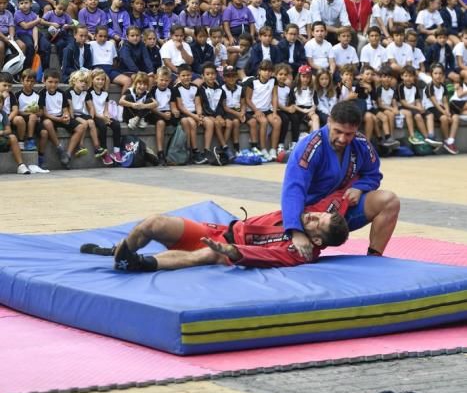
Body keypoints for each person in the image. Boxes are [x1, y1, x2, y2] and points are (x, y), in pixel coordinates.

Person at [83, 186, 350, 271]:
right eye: (316, 215)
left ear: (317, 239)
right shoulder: (299, 216)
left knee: (207, 255)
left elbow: (265, 257)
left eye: (317, 222)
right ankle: (120, 251)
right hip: (219, 230)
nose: (311, 216)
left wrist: (231, 250)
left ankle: (136, 262)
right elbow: (337, 192)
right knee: (154, 223)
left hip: (228, 249)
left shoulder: (301, 251)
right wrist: (359, 188)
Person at [281, 100, 400, 258]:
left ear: (356, 128)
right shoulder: (309, 147)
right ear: (329, 121)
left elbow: (373, 174)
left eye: (349, 134)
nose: (343, 139)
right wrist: (296, 232)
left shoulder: (361, 143)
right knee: (295, 256)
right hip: (312, 220)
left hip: (341, 212)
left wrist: (360, 187)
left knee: (390, 201)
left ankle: (374, 258)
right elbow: (293, 189)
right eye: (337, 131)